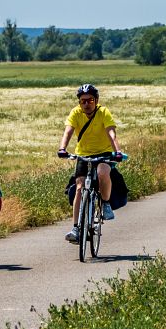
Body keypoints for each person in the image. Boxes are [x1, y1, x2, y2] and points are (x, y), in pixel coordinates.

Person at [57, 83, 128, 243]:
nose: (86, 104)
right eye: (83, 101)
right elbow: (68, 132)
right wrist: (62, 148)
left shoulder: (103, 112)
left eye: (90, 100)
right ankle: (76, 228)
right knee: (80, 188)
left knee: (103, 173)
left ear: (96, 100)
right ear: (79, 102)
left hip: (103, 153)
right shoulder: (75, 113)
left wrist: (117, 151)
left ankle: (106, 203)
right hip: (83, 154)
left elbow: (111, 133)